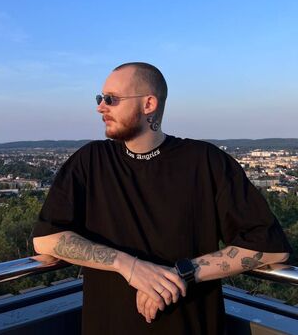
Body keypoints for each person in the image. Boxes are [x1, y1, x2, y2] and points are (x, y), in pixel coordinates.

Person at [32, 62, 292, 334]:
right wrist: (129, 266)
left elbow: (270, 246)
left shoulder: (206, 162)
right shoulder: (90, 162)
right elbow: (46, 238)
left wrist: (182, 273)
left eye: (111, 99)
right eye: (100, 98)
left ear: (148, 104)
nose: (100, 107)